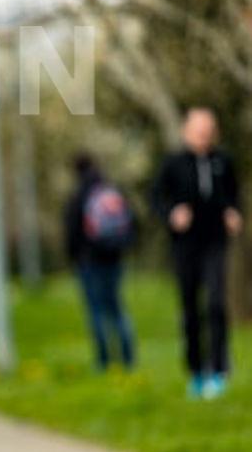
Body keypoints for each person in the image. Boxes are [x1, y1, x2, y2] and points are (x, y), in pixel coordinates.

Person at [152, 107, 243, 399]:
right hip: (185, 245)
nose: (204, 136)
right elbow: (156, 198)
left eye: (208, 131)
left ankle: (219, 368)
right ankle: (196, 371)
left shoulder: (223, 161)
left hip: (215, 241)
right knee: (190, 307)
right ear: (187, 131)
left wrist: (233, 212)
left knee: (216, 303)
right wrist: (172, 214)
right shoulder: (173, 163)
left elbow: (234, 194)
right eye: (199, 131)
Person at [64, 153, 136, 371]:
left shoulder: (79, 195)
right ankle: (128, 357)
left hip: (89, 261)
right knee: (116, 307)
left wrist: (74, 257)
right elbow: (131, 222)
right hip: (114, 257)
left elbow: (72, 231)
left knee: (96, 311)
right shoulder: (110, 191)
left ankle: (103, 361)